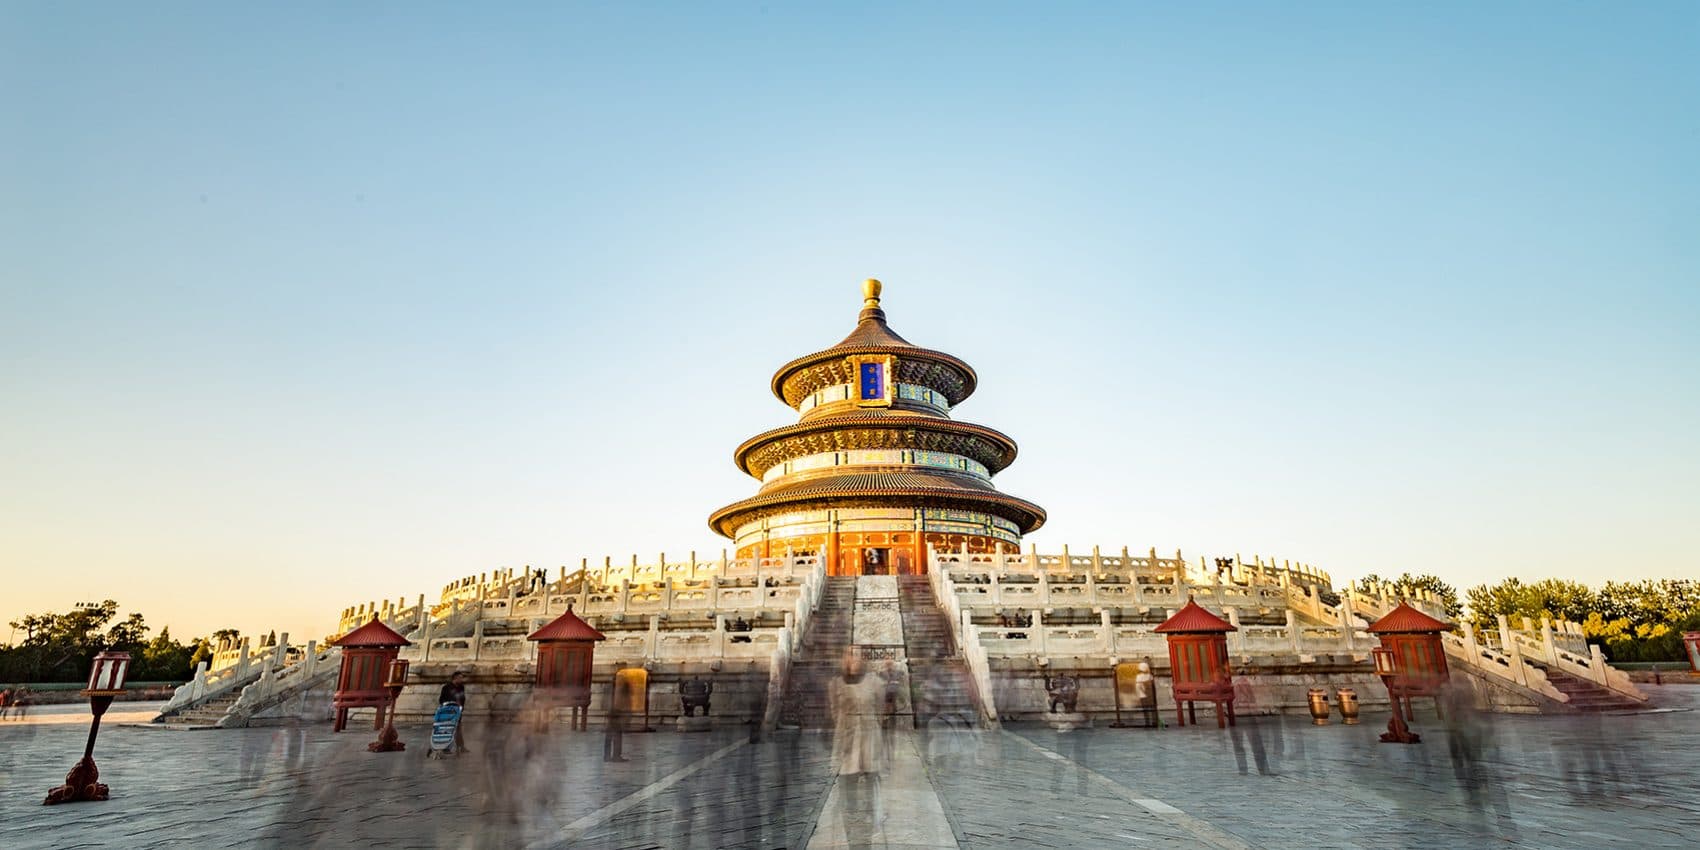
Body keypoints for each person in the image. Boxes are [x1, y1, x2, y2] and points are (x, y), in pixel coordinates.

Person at [830, 648, 885, 846]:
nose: (853, 659)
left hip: (869, 744)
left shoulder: (876, 683)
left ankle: (866, 841)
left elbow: (880, 711)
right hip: (846, 745)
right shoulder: (836, 685)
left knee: (869, 798)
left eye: (857, 655)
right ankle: (852, 840)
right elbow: (835, 712)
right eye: (849, 655)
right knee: (848, 799)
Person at [439, 671, 469, 753]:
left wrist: (461, 707)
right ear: (455, 678)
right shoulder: (446, 687)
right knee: (448, 729)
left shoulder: (461, 687)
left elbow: (463, 698)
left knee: (458, 729)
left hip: (458, 711)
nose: (462, 679)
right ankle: (445, 748)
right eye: (460, 678)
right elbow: (441, 700)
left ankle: (461, 747)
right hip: (449, 711)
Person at [605, 670, 630, 762]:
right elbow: (620, 699)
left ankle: (607, 755)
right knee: (616, 733)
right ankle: (616, 755)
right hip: (616, 710)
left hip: (612, 710)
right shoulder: (620, 684)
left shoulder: (613, 682)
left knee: (610, 734)